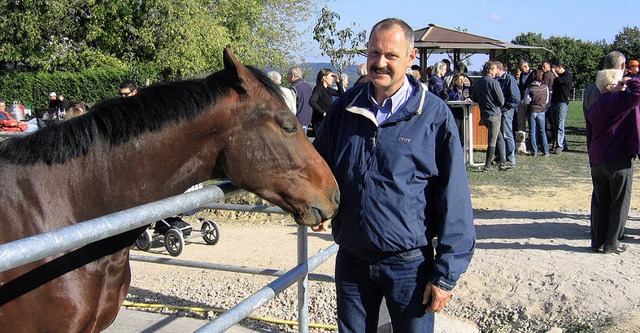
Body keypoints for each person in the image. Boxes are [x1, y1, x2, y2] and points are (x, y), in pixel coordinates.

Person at [312, 18, 475, 333]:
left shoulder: (433, 115)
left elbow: (454, 199)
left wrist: (445, 274)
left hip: (409, 264)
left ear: (411, 58)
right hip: (352, 259)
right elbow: (320, 164)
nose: (380, 63)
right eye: (374, 53)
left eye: (391, 55)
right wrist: (318, 202)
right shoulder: (345, 108)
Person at [586, 70, 640, 254]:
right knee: (618, 202)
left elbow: (589, 134)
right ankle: (611, 242)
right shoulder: (618, 101)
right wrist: (631, 80)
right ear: (610, 86)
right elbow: (638, 94)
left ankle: (597, 241)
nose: (622, 85)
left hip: (597, 158)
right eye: (619, 83)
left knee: (600, 201)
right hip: (617, 157)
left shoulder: (594, 106)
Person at [473, 61, 506, 172]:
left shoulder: (477, 83)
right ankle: (487, 166)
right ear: (490, 70)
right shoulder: (494, 83)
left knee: (499, 137)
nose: (497, 71)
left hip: (484, 114)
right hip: (494, 114)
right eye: (495, 69)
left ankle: (503, 162)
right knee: (492, 140)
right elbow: (501, 101)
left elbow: (475, 98)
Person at [583, 51, 626, 121]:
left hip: (594, 130)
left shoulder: (589, 89)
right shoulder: (624, 89)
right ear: (623, 65)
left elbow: (587, 117)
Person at [496, 61, 520, 168]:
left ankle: (511, 159)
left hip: (506, 110)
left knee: (507, 134)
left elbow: (515, 97)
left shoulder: (509, 79)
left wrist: (507, 107)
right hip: (499, 110)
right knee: (500, 134)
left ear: (499, 69)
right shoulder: (496, 80)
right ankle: (501, 157)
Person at [522, 70, 550, 156]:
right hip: (541, 111)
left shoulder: (529, 88)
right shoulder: (545, 87)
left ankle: (534, 151)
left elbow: (526, 101)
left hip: (532, 111)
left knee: (532, 132)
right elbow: (547, 100)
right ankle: (546, 150)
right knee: (542, 131)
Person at [549, 58, 573, 154]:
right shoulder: (557, 77)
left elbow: (561, 81)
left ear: (559, 67)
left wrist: (555, 74)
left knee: (560, 124)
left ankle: (559, 146)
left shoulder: (567, 76)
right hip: (554, 101)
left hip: (562, 102)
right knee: (555, 124)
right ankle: (562, 144)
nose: (553, 70)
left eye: (554, 67)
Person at [447, 73, 472, 146]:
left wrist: (469, 98)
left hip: (464, 114)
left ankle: (463, 147)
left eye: (463, 80)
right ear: (455, 81)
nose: (462, 81)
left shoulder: (467, 88)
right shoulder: (451, 89)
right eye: (460, 79)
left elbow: (472, 96)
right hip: (455, 113)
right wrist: (460, 99)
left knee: (464, 133)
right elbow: (452, 97)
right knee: (456, 132)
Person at [287, 66, 313, 131]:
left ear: (292, 75)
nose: (287, 76)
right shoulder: (308, 86)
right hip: (307, 120)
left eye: (288, 74)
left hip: (297, 121)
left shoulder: (293, 88)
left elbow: (291, 106)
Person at [516, 60, 534, 133]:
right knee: (521, 120)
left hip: (530, 100)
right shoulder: (522, 75)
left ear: (526, 67)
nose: (520, 71)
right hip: (522, 100)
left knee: (530, 121)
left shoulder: (533, 74)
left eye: (521, 69)